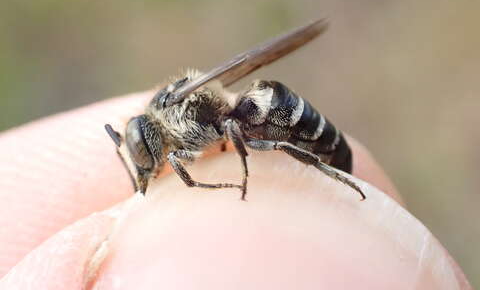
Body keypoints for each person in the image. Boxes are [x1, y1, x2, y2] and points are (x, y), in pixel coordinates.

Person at [0, 92, 472, 289]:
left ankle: (334, 176)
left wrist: (242, 178)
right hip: (255, 113)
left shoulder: (185, 128)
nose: (148, 165)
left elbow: (216, 138)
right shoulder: (173, 137)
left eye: (144, 156)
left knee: (263, 137)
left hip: (275, 112)